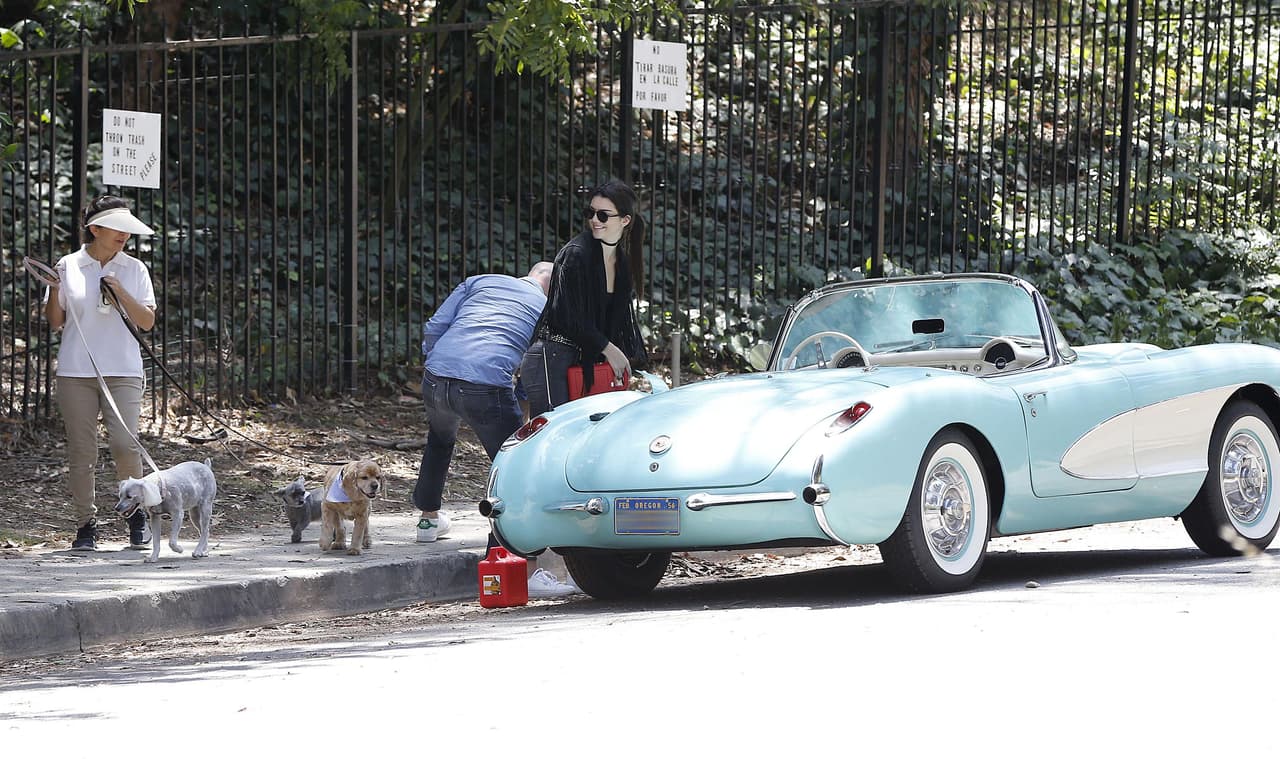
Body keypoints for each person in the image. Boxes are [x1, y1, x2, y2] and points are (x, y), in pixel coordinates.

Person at [412, 261, 577, 598]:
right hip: (483, 386)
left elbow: (435, 325)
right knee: (515, 471)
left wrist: (437, 362)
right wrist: (519, 396)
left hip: (435, 380)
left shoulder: (479, 281)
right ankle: (513, 564)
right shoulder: (548, 306)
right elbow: (534, 359)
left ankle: (428, 520)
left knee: (440, 440)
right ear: (551, 285)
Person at [43, 194, 158, 551]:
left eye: (128, 229)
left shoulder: (134, 269)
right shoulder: (69, 264)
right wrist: (54, 289)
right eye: (117, 228)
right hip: (77, 371)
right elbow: (55, 322)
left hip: (123, 370)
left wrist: (120, 291)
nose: (124, 235)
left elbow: (148, 322)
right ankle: (86, 524)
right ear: (95, 229)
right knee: (82, 451)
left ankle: (136, 513)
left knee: (125, 445)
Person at [521, 178, 648, 416]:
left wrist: (621, 355)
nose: (594, 220)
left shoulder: (621, 262)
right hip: (552, 359)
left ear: (625, 220)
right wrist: (608, 348)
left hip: (583, 363)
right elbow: (566, 316)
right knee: (556, 438)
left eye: (603, 215)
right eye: (590, 212)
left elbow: (618, 322)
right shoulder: (576, 254)